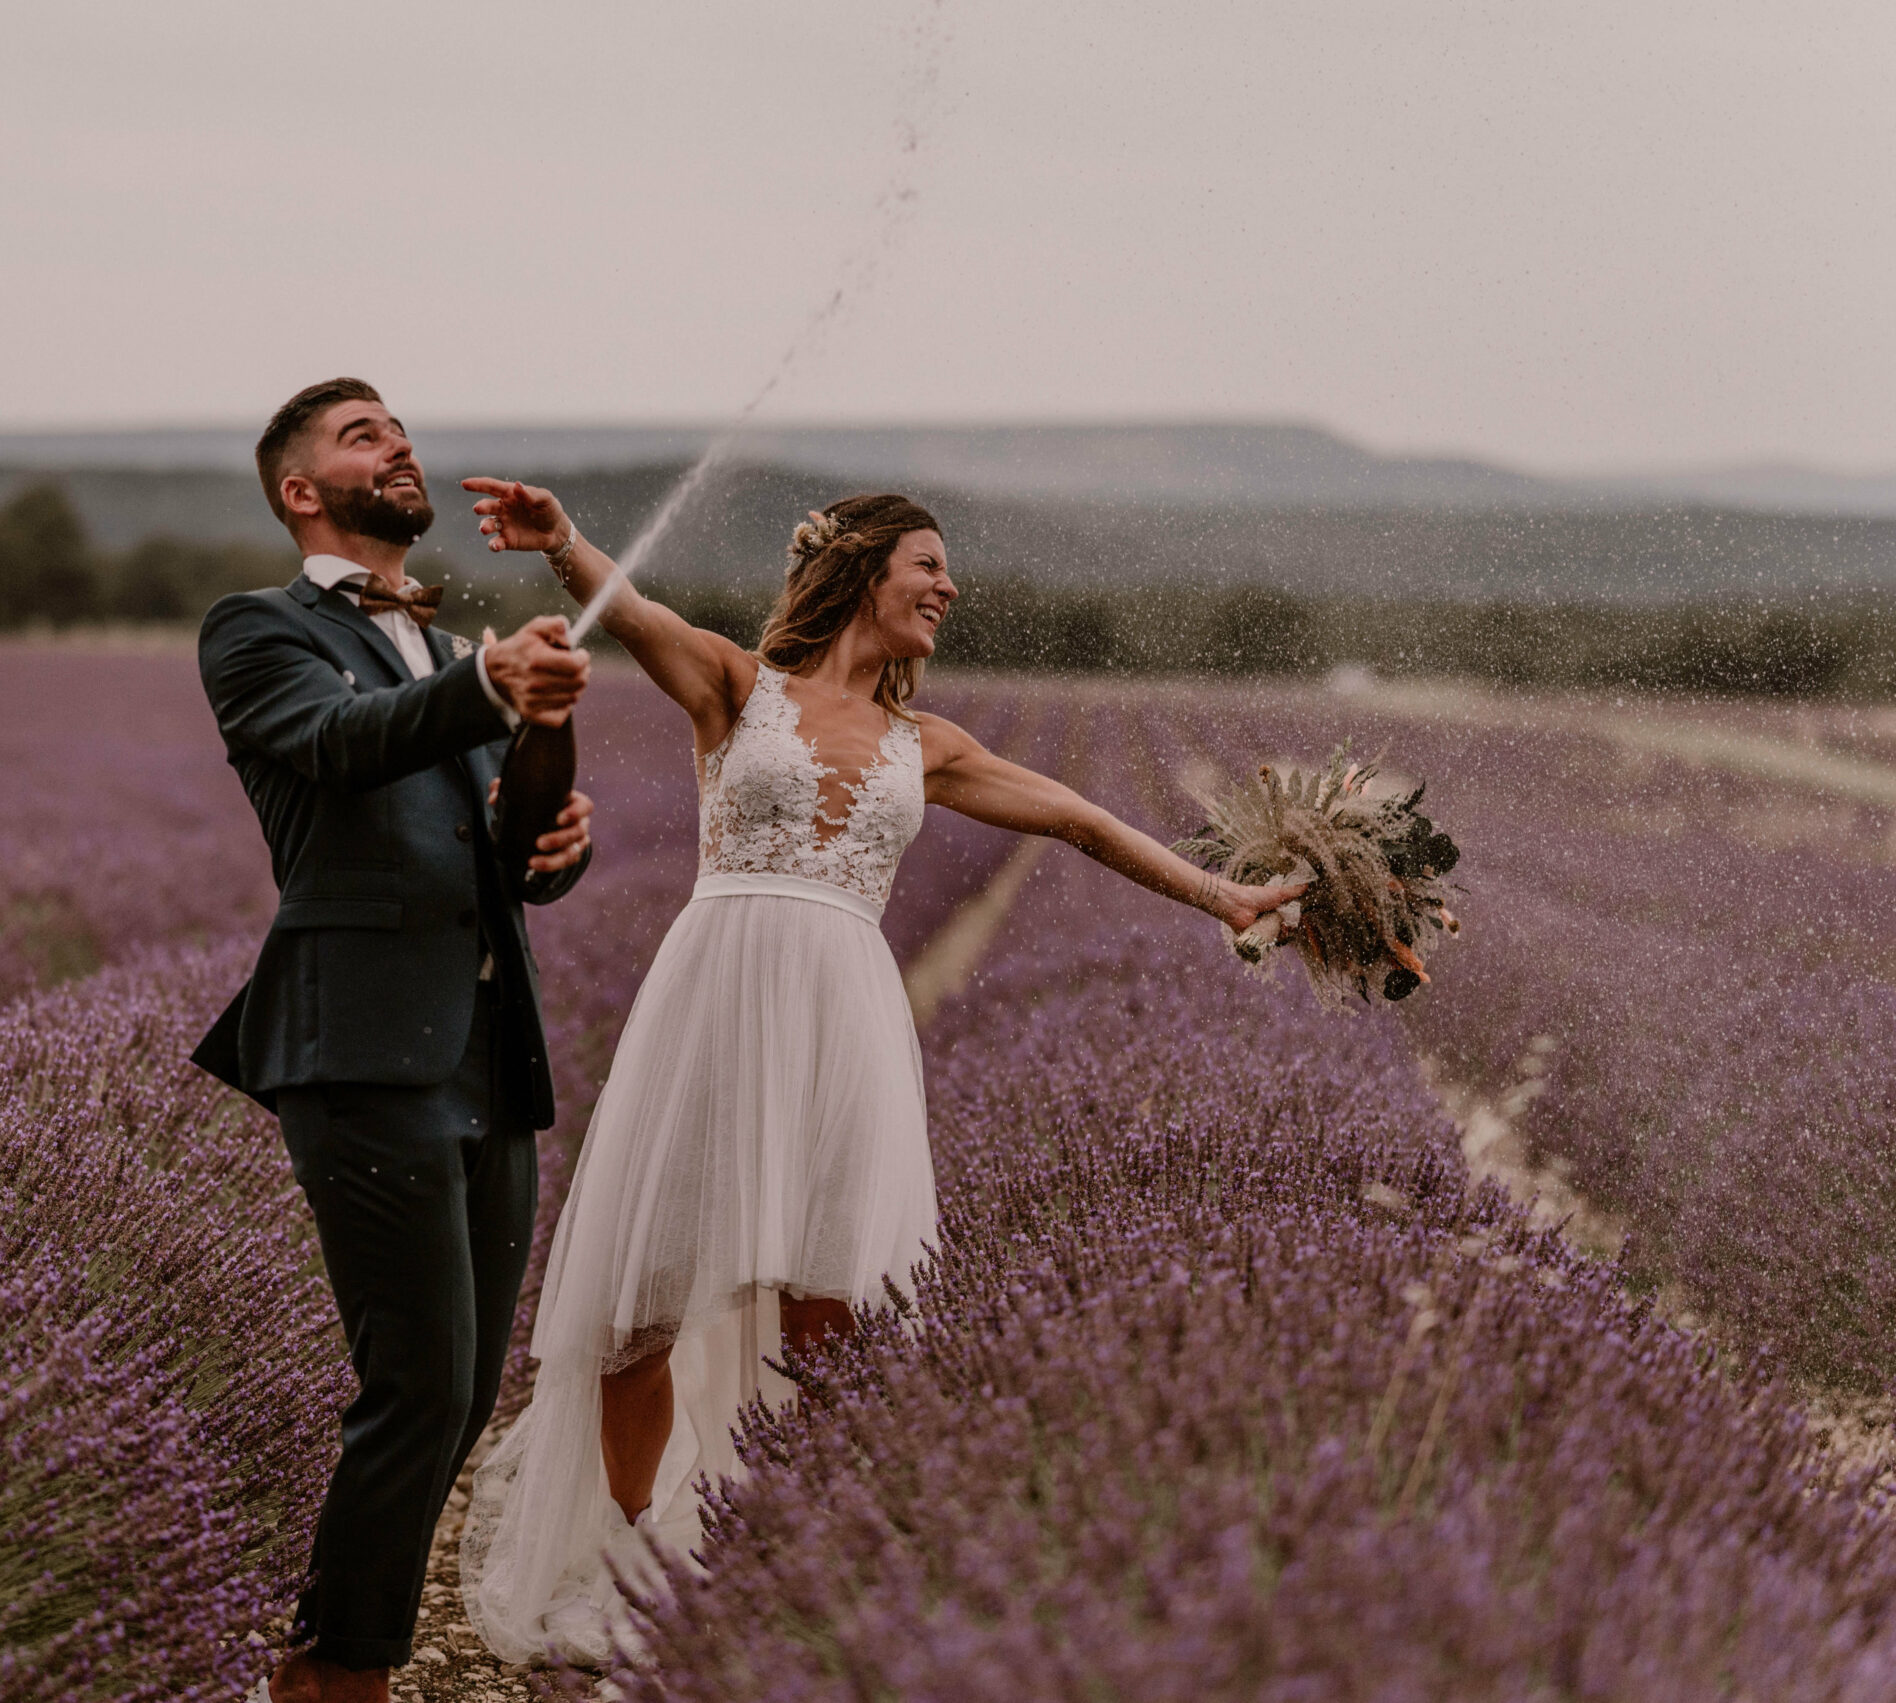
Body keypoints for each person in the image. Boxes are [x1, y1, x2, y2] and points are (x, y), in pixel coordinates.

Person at [452, 483, 1309, 1666]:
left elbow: (1079, 820)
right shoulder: (735, 685)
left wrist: (1225, 896)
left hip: (845, 1016)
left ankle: (801, 1553)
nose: (948, 588)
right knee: (642, 1304)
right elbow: (633, 608)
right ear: (863, 569)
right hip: (715, 996)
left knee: (832, 1306)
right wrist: (560, 544)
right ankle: (633, 1555)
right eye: (928, 564)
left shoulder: (930, 744)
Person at [193, 379, 597, 1703]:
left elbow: (501, 859)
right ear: (302, 489)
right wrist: (489, 679)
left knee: (465, 1389)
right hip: (359, 1046)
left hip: (485, 1047)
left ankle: (333, 1654)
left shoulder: (434, 645)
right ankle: (335, 1670)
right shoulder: (259, 633)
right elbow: (341, 742)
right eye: (365, 434)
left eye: (402, 430)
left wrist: (547, 778)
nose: (401, 446)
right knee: (415, 1379)